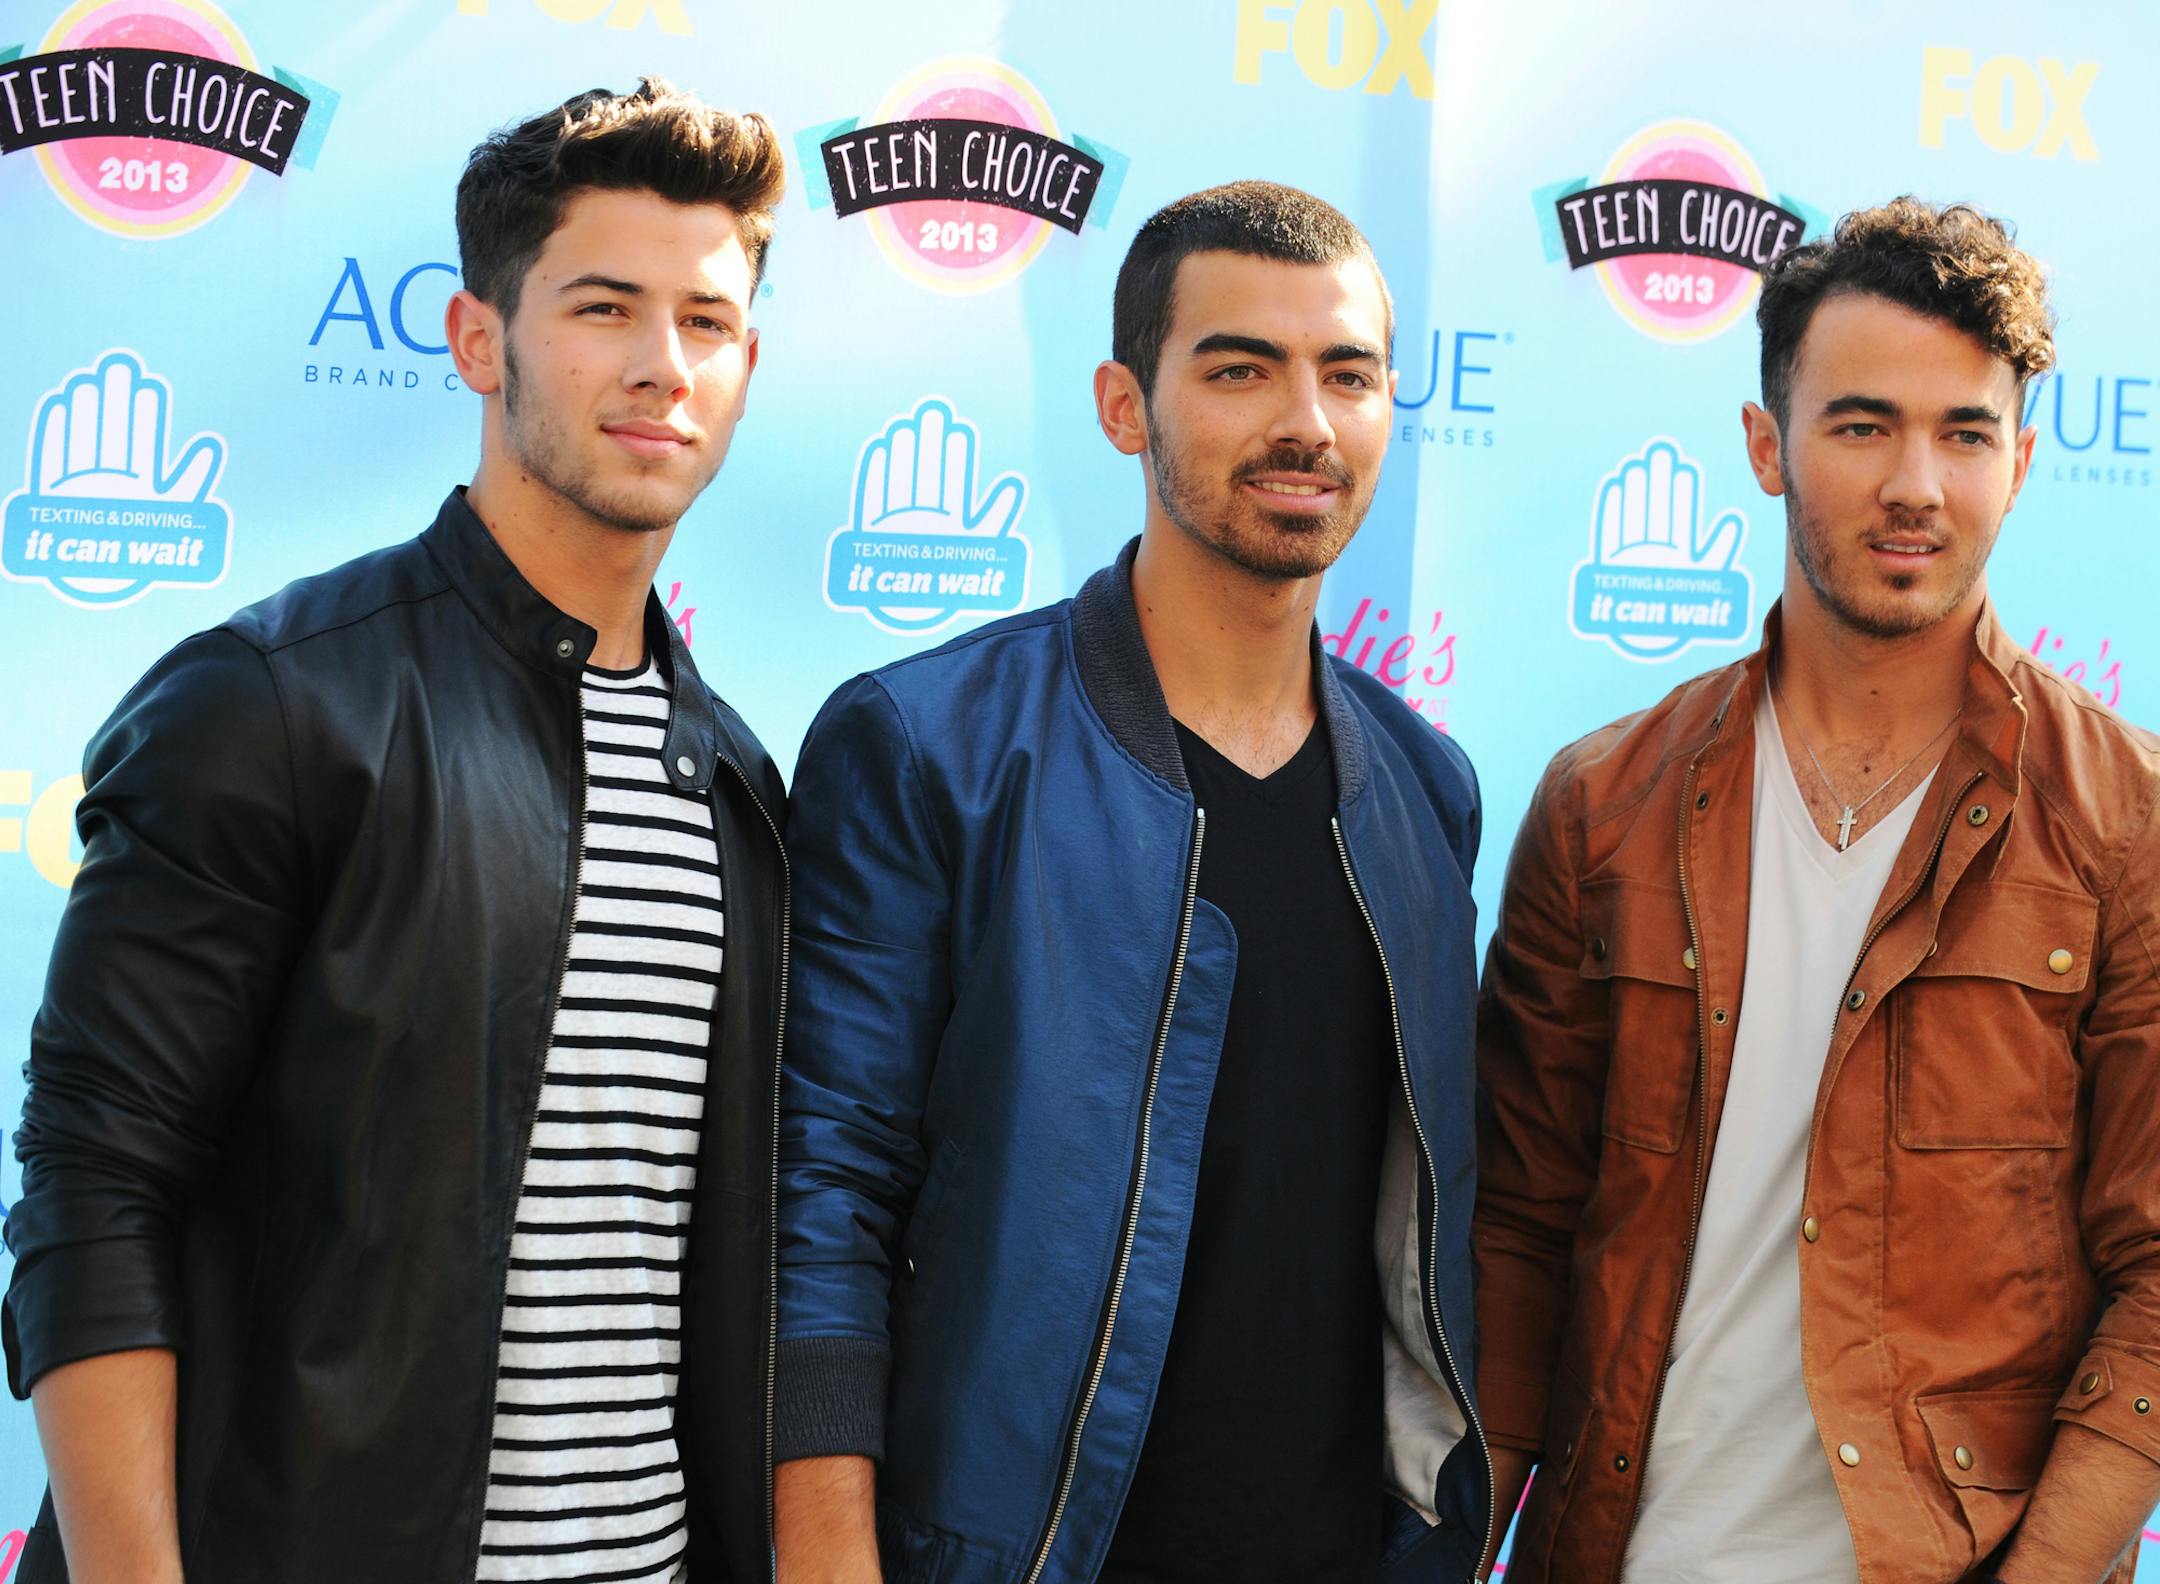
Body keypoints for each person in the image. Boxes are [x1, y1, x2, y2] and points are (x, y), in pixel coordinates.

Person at [5, 79, 789, 1584]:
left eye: (705, 323)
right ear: (480, 340)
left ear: (747, 364)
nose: (660, 366)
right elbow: (94, 1191)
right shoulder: (280, 704)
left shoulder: (738, 783)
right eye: (604, 308)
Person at [770, 181, 1493, 1584]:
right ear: (1124, 405)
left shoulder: (1427, 790)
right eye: (1239, 369)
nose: (1305, 420)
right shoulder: (933, 746)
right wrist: (825, 1548)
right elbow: (826, 1193)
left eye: (1347, 374)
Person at [1475, 198, 2160, 1584]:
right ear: (1765, 445)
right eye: (1861, 425)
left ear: (2021, 464)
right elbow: (1518, 1244)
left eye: (1964, 433)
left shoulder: (2126, 824)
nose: (1917, 482)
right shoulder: (1601, 805)